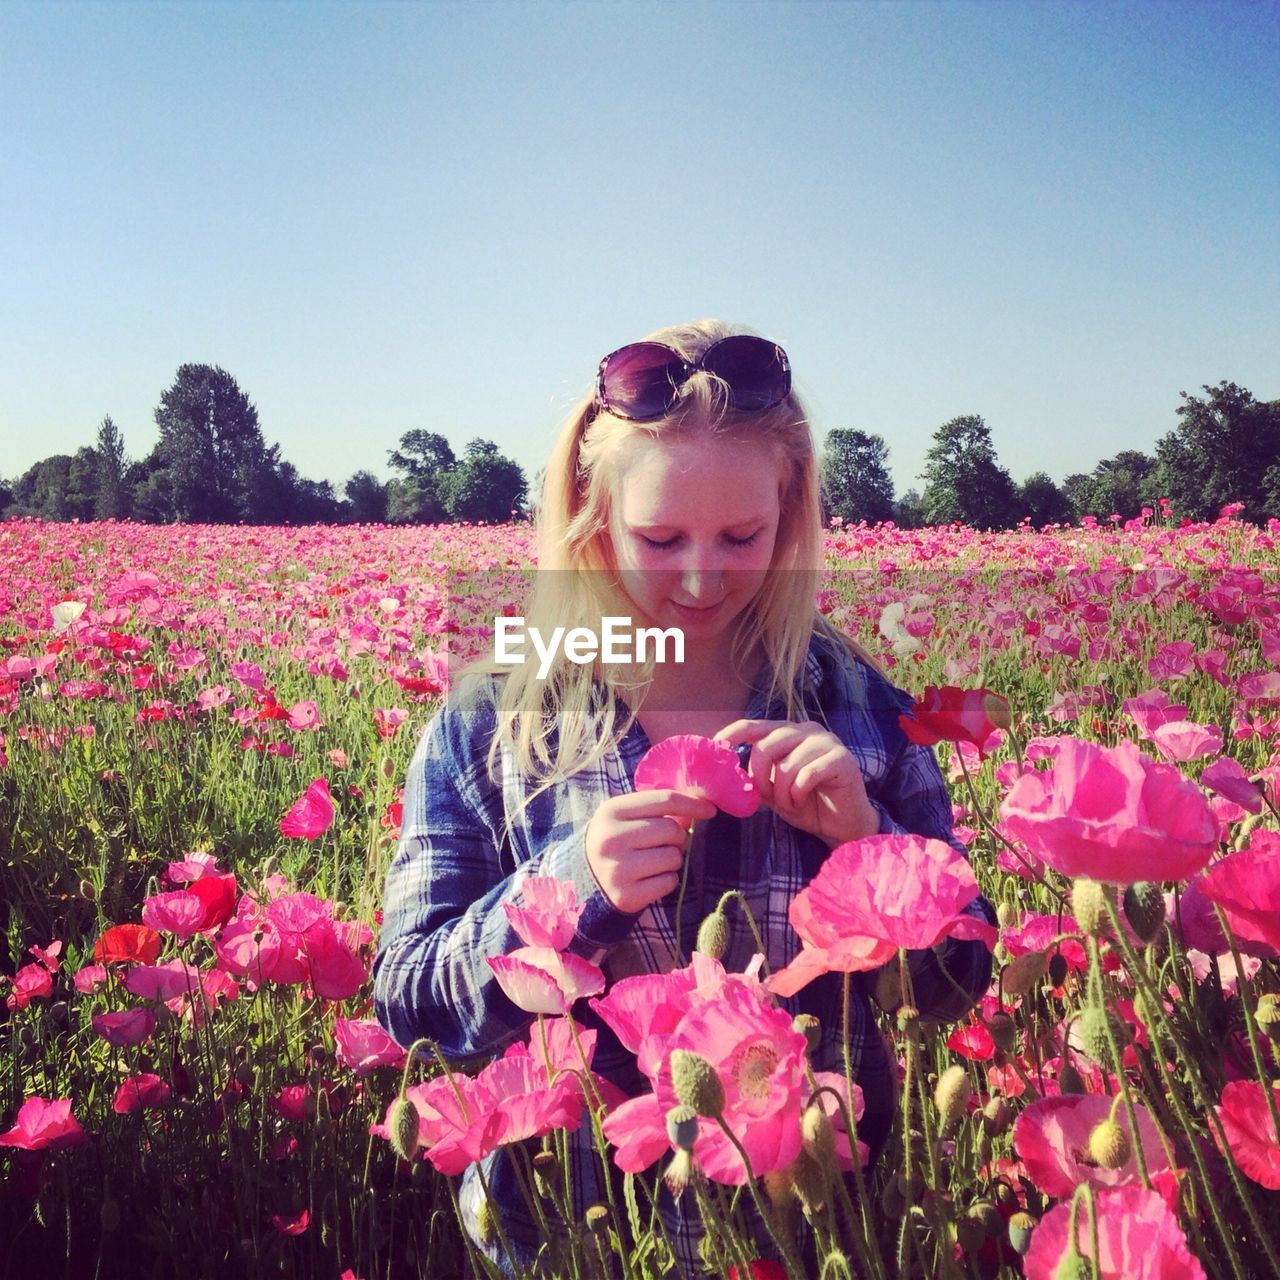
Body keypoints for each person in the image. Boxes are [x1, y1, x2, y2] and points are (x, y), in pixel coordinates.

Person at [372, 319, 996, 1277]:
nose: (704, 578)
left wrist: (865, 846)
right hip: (566, 1241)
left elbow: (957, 984)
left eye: (742, 536)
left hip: (816, 1241)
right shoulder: (489, 723)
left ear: (790, 516)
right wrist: (571, 887)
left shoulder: (864, 712)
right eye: (660, 538)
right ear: (591, 515)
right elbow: (412, 1003)